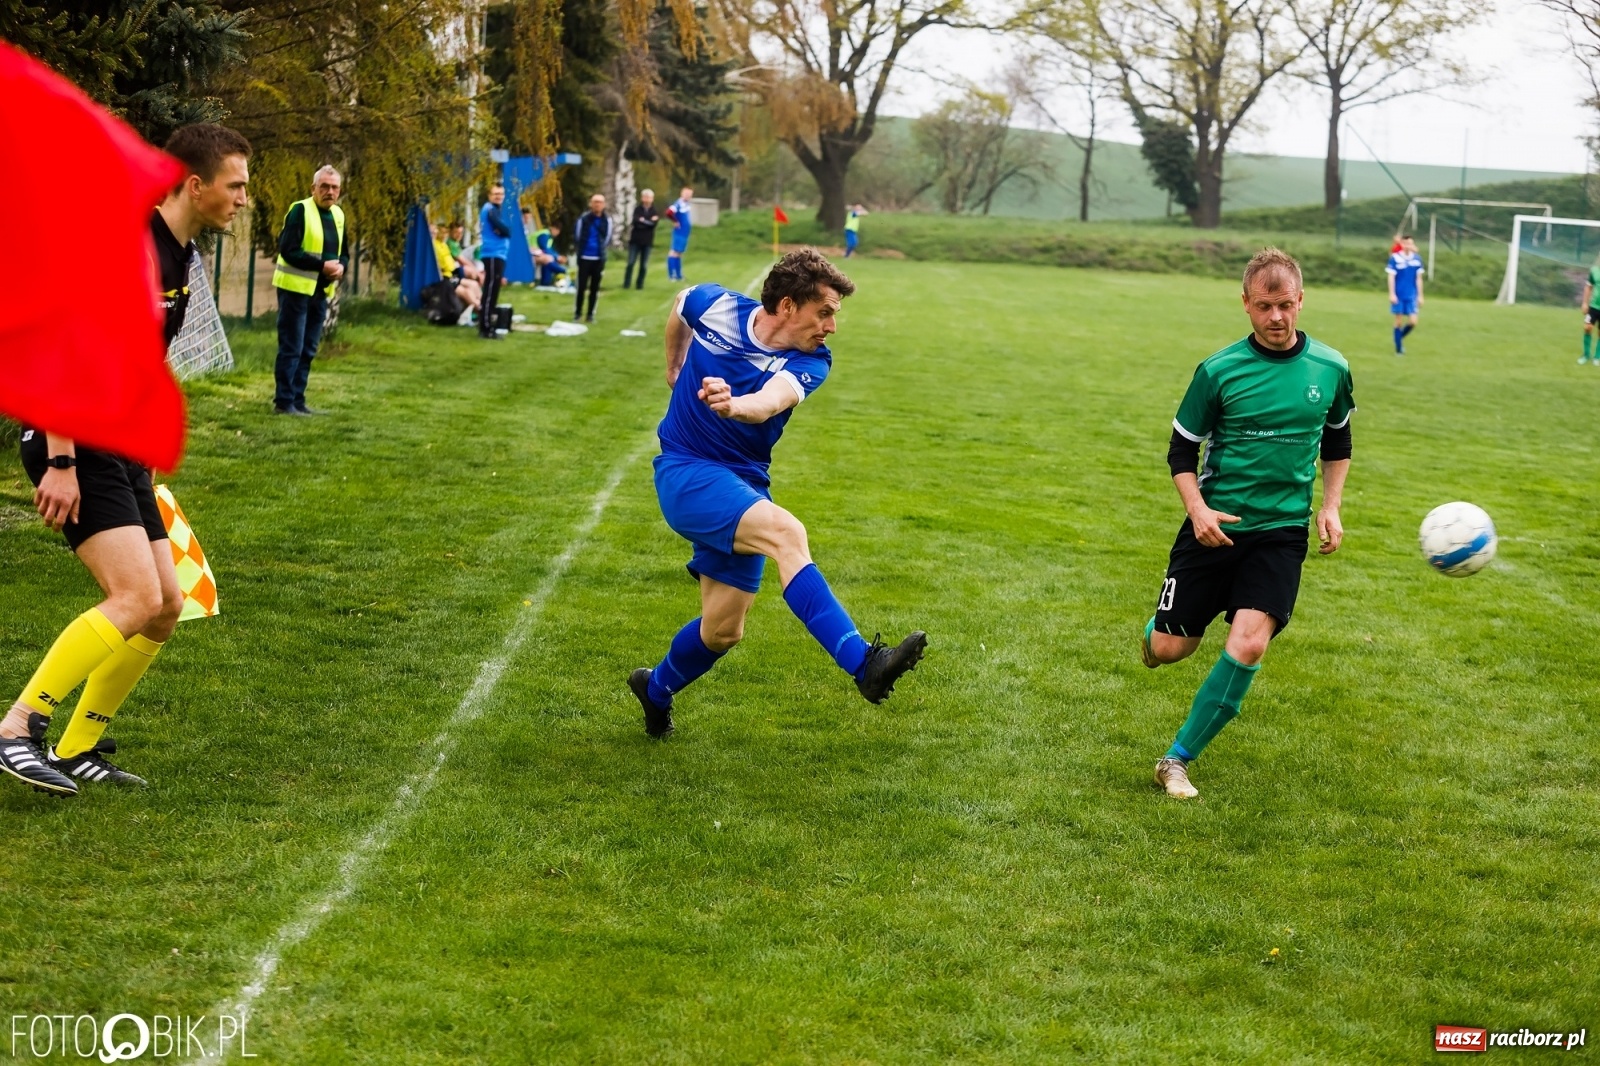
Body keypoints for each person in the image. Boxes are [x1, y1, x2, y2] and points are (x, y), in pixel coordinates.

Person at [0, 124, 251, 797]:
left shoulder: (183, 258)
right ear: (195, 185)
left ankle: (79, 746)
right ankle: (18, 728)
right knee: (135, 596)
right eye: (236, 186)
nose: (244, 199)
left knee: (167, 605)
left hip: (120, 448)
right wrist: (60, 461)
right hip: (73, 443)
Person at [627, 249, 928, 738]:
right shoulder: (718, 307)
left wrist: (734, 405)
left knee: (723, 630)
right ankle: (864, 664)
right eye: (824, 312)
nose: (831, 326)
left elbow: (770, 402)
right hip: (686, 471)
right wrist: (674, 361)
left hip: (743, 481)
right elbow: (682, 302)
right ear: (787, 306)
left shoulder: (812, 361)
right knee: (787, 534)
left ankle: (655, 689)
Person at [1142, 247, 1355, 800]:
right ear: (1245, 305)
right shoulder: (1218, 370)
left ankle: (1177, 759)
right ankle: (1159, 627)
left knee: (1250, 643)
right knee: (1169, 650)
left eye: (1286, 305)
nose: (1277, 317)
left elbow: (1338, 439)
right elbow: (1180, 453)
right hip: (1214, 524)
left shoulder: (1331, 368)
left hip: (1281, 532)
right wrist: (1198, 510)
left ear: (1301, 300)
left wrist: (1329, 505)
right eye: (1265, 306)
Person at [272, 165, 347, 413]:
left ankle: (298, 401)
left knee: (308, 348)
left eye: (334, 187)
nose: (329, 191)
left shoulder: (338, 215)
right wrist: (322, 266)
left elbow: (343, 253)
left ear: (340, 190)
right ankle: (283, 402)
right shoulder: (300, 210)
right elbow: (288, 250)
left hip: (321, 291)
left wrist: (341, 267)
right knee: (292, 347)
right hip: (295, 289)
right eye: (324, 186)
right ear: (313, 188)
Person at [477, 182, 512, 339]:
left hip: (498, 254)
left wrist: (504, 230)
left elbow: (504, 230)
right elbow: (505, 230)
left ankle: (488, 325)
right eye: (495, 194)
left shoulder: (496, 210)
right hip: (492, 254)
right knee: (490, 291)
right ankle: (485, 328)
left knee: (494, 290)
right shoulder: (490, 210)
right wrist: (504, 230)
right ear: (489, 195)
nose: (498, 196)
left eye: (501, 194)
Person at [571, 193, 612, 323]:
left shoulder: (607, 220)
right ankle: (577, 313)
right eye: (595, 202)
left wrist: (601, 251)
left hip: (598, 258)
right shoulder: (583, 219)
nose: (597, 204)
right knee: (581, 287)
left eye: (600, 202)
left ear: (604, 204)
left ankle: (590, 315)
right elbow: (577, 236)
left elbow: (607, 238)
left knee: (595, 288)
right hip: (584, 257)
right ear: (591, 204)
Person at [431, 222, 481, 314]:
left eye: (444, 233)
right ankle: (480, 310)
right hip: (445, 278)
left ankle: (483, 305)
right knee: (466, 291)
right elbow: (444, 265)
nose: (443, 235)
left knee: (474, 285)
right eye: (434, 233)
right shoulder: (434, 247)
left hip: (451, 275)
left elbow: (449, 263)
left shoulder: (443, 245)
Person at [1386, 234, 1424, 355]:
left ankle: (1398, 338)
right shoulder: (1395, 258)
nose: (1408, 246)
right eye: (1406, 243)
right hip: (1399, 295)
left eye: (1410, 243)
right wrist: (1392, 294)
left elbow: (1418, 278)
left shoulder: (1417, 259)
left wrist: (1420, 295)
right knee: (1398, 322)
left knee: (1413, 322)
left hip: (1411, 295)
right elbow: (1391, 277)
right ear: (1401, 244)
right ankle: (1398, 349)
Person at [624, 188, 661, 289]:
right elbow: (636, 222)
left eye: (649, 197)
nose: (647, 199)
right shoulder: (637, 209)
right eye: (645, 197)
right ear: (642, 198)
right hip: (635, 240)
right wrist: (648, 222)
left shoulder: (654, 211)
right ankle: (626, 284)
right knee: (631, 262)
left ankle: (639, 285)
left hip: (647, 241)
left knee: (643, 265)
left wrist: (644, 221)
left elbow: (653, 224)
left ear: (652, 199)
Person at [665, 185, 693, 281]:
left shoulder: (686, 204)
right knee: (674, 252)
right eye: (686, 194)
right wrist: (675, 221)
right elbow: (669, 212)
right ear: (682, 193)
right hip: (679, 232)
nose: (688, 196)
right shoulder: (679, 203)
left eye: (690, 194)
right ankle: (671, 274)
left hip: (684, 232)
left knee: (679, 253)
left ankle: (678, 275)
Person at [1579, 257, 1600, 365]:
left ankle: (1597, 357)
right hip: (1594, 306)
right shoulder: (1595, 271)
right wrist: (1585, 303)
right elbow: (1588, 287)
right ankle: (1586, 355)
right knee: (1587, 327)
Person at [533, 220, 566, 287]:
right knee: (548, 259)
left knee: (549, 260)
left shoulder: (549, 237)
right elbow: (544, 248)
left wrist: (557, 256)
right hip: (529, 254)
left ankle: (546, 283)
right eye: (556, 230)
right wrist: (557, 257)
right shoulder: (544, 235)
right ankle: (562, 271)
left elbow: (550, 250)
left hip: (536, 254)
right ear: (552, 228)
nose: (557, 233)